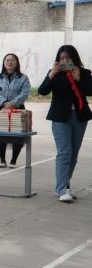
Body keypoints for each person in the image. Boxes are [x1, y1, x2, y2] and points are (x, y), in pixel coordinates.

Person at [37, 44, 91, 203]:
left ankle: (65, 185)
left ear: (74, 58)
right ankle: (61, 189)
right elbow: (42, 91)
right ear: (58, 60)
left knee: (73, 154)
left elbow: (90, 90)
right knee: (64, 152)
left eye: (68, 58)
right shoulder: (55, 73)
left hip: (79, 117)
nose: (65, 61)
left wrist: (78, 78)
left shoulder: (85, 73)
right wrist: (51, 74)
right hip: (60, 117)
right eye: (62, 58)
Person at [0, 53, 32, 168]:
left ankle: (13, 160)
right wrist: (4, 102)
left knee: (17, 135)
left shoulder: (23, 78)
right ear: (4, 63)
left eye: (12, 60)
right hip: (0, 108)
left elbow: (25, 93)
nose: (9, 62)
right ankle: (2, 160)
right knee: (0, 134)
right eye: (7, 60)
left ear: (17, 63)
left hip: (17, 109)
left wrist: (12, 103)